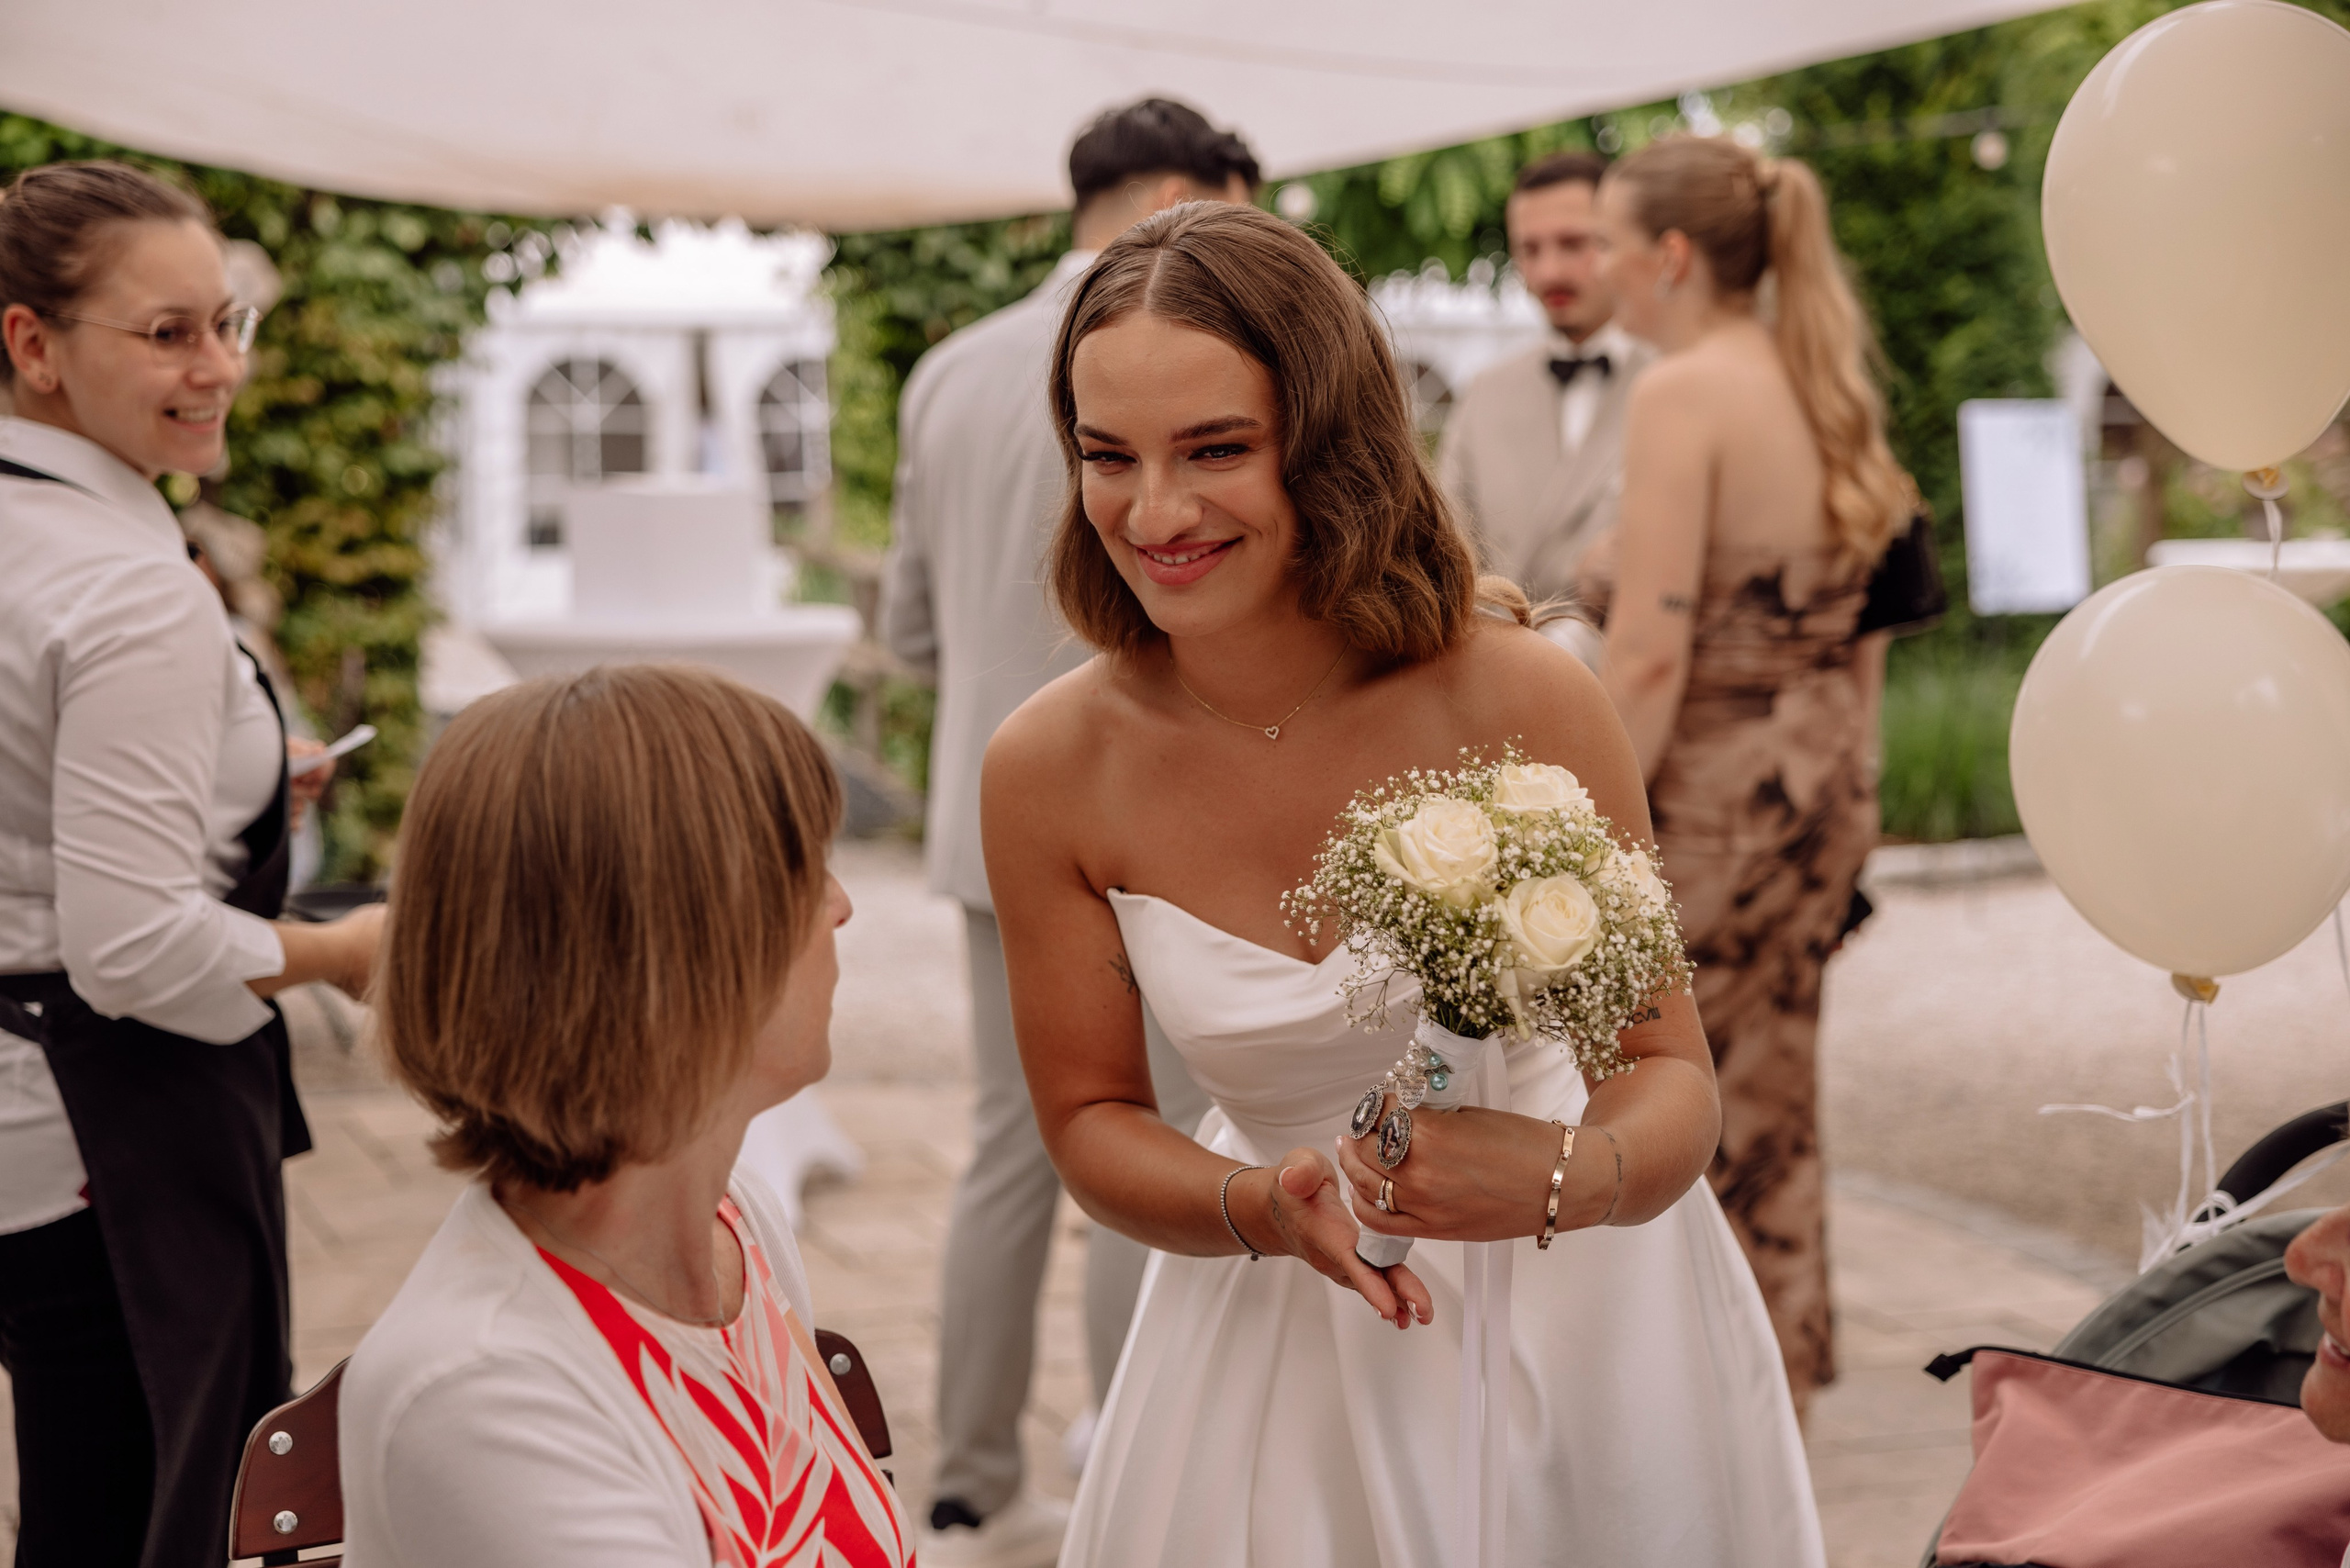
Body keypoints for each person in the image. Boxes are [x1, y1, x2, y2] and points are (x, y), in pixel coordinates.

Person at [981, 201, 1821, 1566]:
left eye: (1216, 450)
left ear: (1328, 443)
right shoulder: (1050, 768)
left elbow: (1672, 1077)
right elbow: (1087, 1119)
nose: (1156, 512)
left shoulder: (1526, 696)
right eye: (1106, 456)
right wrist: (1256, 1207)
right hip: (1276, 1342)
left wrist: (1565, 1174)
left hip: (1594, 1325)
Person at [877, 95, 1259, 1564]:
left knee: (1009, 1145)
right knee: (1154, 1135)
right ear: (1176, 193)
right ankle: (1130, 1461)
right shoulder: (1197, 362)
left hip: (992, 812)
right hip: (1162, 815)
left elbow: (909, 626)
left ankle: (969, 1481)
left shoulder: (948, 370)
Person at [0, 161, 382, 1568]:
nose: (218, 366)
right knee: (157, 1518)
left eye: (229, 324)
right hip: (120, 1124)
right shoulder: (124, 584)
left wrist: (240, 778)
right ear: (33, 344)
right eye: (167, 334)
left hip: (26, 1127)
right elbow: (135, 945)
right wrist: (349, 953)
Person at [339, 663, 907, 1565]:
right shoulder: (489, 1394)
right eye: (806, 870)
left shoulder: (733, 1226)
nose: (840, 906)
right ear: (677, 948)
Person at [1576, 136, 1915, 1413]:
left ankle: (1685, 1414)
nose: (1601, 268)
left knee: (1663, 1101)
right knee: (1775, 1110)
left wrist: (1581, 837)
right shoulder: (1812, 380)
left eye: (1609, 242)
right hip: (1812, 789)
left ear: (1668, 257)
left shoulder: (1683, 394)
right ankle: (1775, 1395)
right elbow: (1861, 638)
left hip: (1713, 799)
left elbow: (1651, 658)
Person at [1437, 151, 1654, 623]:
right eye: (1530, 250)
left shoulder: (1679, 381)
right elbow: (1445, 553)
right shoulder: (1485, 395)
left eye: (1574, 244)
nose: (1550, 272)